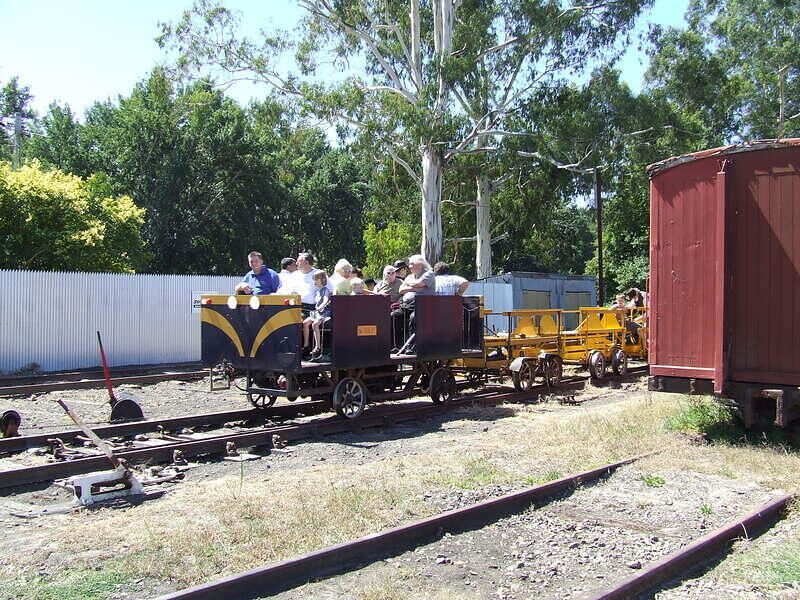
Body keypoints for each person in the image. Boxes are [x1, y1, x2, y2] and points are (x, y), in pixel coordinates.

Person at [394, 254, 436, 352]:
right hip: (406, 305)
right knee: (393, 316)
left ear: (420, 265)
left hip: (424, 305)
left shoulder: (429, 274)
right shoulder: (409, 276)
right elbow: (401, 290)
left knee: (414, 318)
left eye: (412, 264)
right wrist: (416, 287)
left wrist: (410, 285)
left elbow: (420, 283)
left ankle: (412, 348)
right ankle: (396, 346)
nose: (409, 266)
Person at [286, 252, 330, 318]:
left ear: (306, 262)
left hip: (314, 309)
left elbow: (329, 291)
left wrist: (322, 306)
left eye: (298, 261)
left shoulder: (319, 274)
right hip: (296, 307)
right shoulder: (294, 275)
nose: (296, 263)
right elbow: (286, 290)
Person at [303, 271, 332, 360]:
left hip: (323, 312)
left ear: (322, 280)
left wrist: (321, 307)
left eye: (316, 280)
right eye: (314, 280)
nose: (314, 282)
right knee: (305, 323)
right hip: (316, 312)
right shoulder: (318, 291)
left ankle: (318, 347)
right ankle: (306, 345)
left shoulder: (325, 290)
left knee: (315, 325)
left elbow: (326, 300)